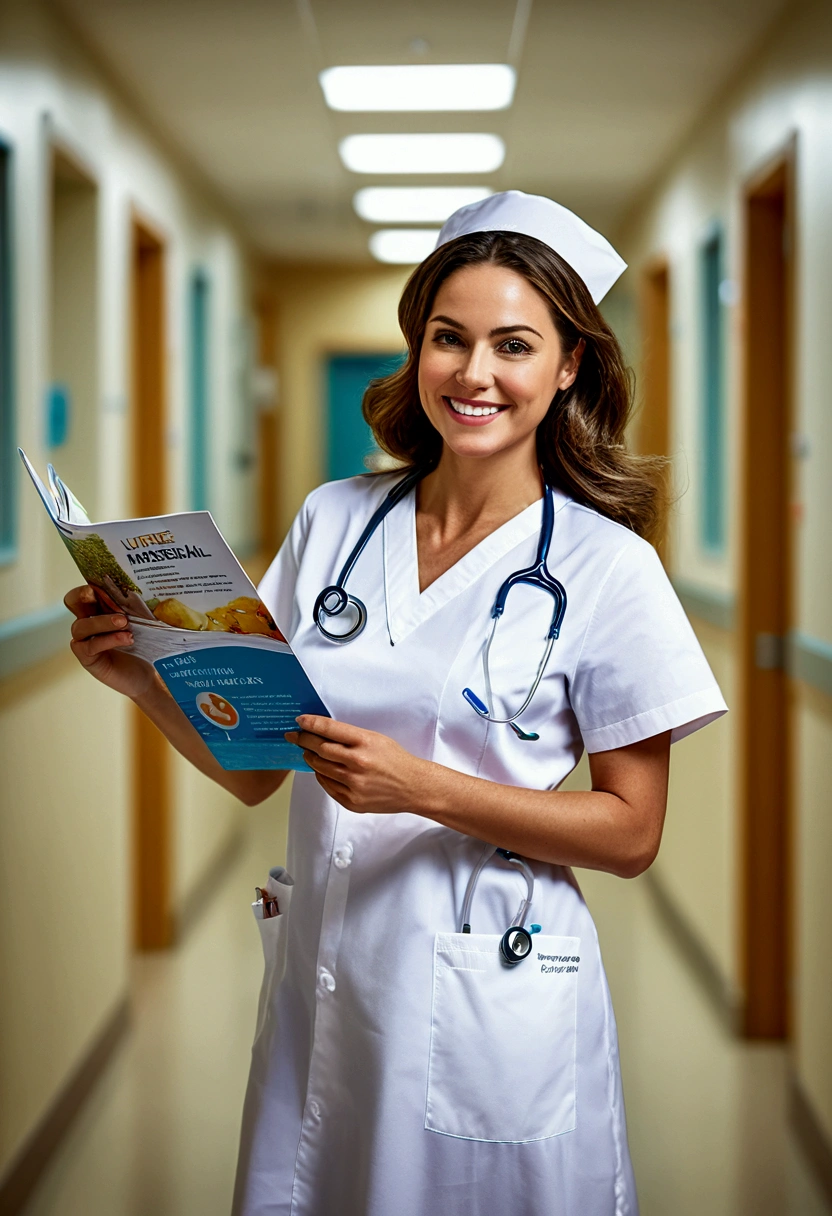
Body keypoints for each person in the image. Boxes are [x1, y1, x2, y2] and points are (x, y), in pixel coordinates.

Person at [65, 191, 727, 1216]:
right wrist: (145, 678)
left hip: (493, 987)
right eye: (447, 338)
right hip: (328, 973)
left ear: (568, 369)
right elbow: (255, 768)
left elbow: (631, 831)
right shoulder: (335, 520)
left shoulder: (608, 568)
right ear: (415, 349)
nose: (473, 373)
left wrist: (418, 786)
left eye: (514, 345)